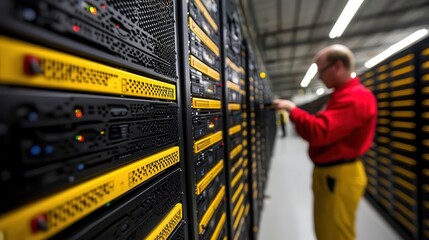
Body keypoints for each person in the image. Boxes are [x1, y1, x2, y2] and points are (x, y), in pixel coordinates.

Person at [274, 44, 377, 240]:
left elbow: (318, 132)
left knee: (335, 235)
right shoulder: (340, 95)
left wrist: (293, 110)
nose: (318, 76)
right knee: (325, 232)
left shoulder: (356, 98)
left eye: (321, 70)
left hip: (339, 175)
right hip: (330, 174)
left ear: (338, 66)